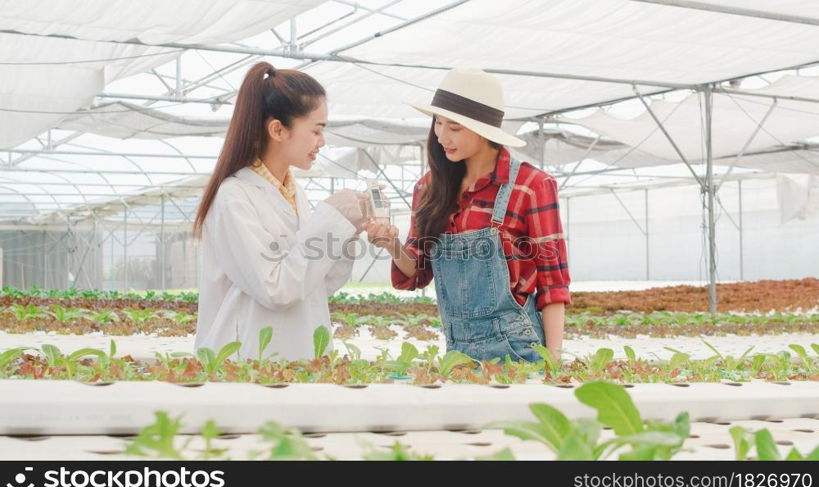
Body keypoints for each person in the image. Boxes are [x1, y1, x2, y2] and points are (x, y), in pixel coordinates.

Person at [365, 68, 571, 363]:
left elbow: (553, 286)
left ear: (484, 131)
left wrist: (554, 363)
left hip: (521, 354)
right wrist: (391, 245)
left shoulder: (531, 186)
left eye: (455, 127)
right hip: (457, 355)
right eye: (438, 123)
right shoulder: (428, 188)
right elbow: (418, 272)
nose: (441, 136)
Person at [194, 62, 370, 360]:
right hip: (249, 358)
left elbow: (319, 282)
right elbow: (275, 288)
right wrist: (330, 218)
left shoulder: (293, 191)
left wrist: (349, 228)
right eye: (316, 130)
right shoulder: (234, 197)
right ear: (277, 129)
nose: (322, 142)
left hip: (296, 353)